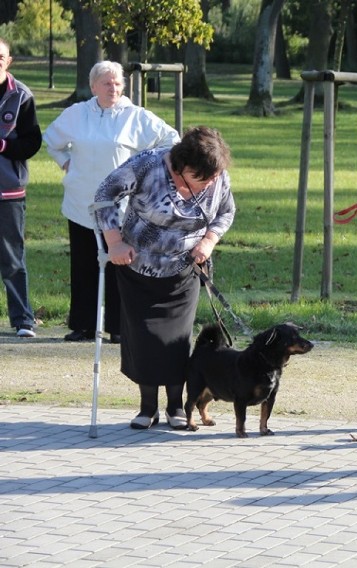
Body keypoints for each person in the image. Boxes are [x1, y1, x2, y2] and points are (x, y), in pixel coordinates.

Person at [93, 126, 235, 430]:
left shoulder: (216, 174)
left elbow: (226, 212)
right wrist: (114, 241)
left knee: (175, 342)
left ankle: (176, 407)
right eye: (202, 179)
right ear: (182, 167)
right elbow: (105, 195)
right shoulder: (148, 165)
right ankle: (147, 407)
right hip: (138, 268)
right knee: (143, 339)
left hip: (185, 270)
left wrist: (209, 241)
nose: (208, 184)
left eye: (212, 179)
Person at [43, 61, 180, 343]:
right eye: (106, 83)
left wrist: (147, 172)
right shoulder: (77, 114)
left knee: (121, 266)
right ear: (93, 86)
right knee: (83, 266)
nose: (113, 88)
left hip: (121, 209)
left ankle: (119, 327)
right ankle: (83, 324)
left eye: (117, 83)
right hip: (82, 203)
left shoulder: (136, 116)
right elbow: (51, 140)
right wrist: (64, 161)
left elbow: (171, 140)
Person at [0, 39, 42, 338]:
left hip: (8, 192)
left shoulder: (22, 96)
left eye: (0, 57)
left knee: (12, 258)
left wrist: (3, 145)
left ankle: (23, 320)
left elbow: (32, 143)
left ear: (9, 60)